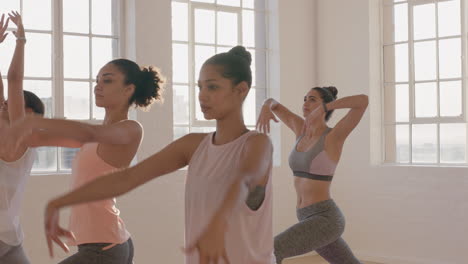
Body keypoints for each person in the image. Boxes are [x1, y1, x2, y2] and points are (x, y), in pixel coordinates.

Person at [30, 46, 274, 264]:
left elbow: (246, 178)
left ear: (241, 90)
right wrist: (58, 202)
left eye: (212, 87)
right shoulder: (192, 145)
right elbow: (126, 179)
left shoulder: (257, 144)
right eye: (200, 86)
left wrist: (219, 222)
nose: (202, 95)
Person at [2, 58, 165, 264]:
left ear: (128, 89)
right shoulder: (97, 135)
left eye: (107, 80)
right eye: (96, 81)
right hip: (105, 243)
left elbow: (88, 131)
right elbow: (35, 138)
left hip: (104, 248)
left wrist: (34, 120)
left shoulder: (131, 128)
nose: (97, 86)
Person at [257, 86, 368, 263]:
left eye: (312, 99)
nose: (305, 103)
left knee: (271, 250)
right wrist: (265, 105)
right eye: (305, 98)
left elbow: (362, 101)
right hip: (305, 216)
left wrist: (326, 108)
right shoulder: (300, 130)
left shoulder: (334, 136)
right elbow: (273, 104)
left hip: (326, 218)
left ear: (325, 105)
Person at [0, 11, 45, 264]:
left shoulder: (21, 139)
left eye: (16, 102)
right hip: (10, 237)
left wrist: (21, 40)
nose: (7, 102)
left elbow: (14, 80)